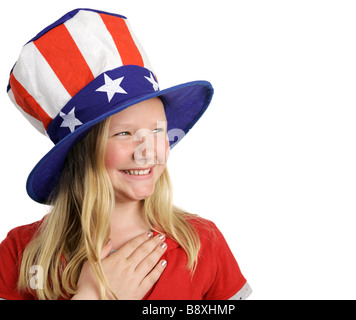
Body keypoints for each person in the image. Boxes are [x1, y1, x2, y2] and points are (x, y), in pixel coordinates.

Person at [0, 8, 251, 300]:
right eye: (124, 133)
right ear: (80, 152)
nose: (148, 152)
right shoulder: (22, 252)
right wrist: (91, 296)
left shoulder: (202, 243)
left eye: (157, 130)